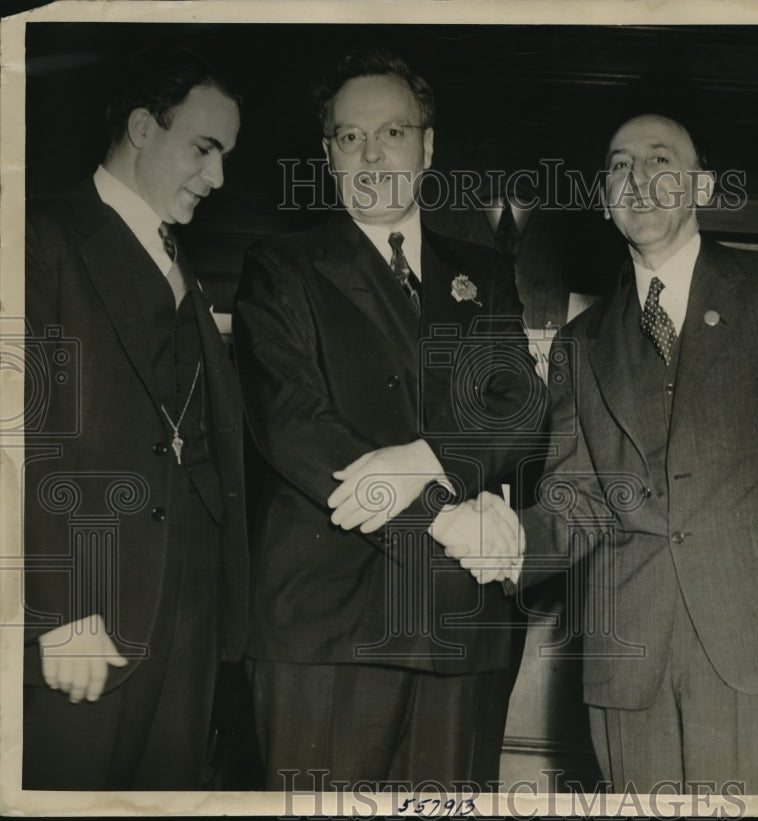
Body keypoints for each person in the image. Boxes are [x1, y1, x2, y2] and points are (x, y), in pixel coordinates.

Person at [449, 113, 758, 795]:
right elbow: (575, 495)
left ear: (702, 185)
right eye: (618, 166)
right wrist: (513, 538)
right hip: (628, 661)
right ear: (604, 201)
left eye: (662, 160)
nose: (639, 178)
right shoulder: (581, 341)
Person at [232, 49, 544, 791]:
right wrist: (446, 518)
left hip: (464, 628)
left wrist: (423, 458)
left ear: (428, 146)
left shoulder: (484, 273)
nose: (372, 154)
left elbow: (520, 405)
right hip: (331, 629)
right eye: (349, 137)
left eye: (393, 132)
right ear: (328, 155)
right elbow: (295, 425)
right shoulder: (281, 267)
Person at [22, 46, 247, 790]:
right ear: (144, 128)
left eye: (226, 156)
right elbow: (15, 441)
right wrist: (51, 611)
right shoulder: (38, 237)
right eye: (205, 149)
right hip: (83, 628)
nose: (218, 178)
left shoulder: (184, 260)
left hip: (187, 634)